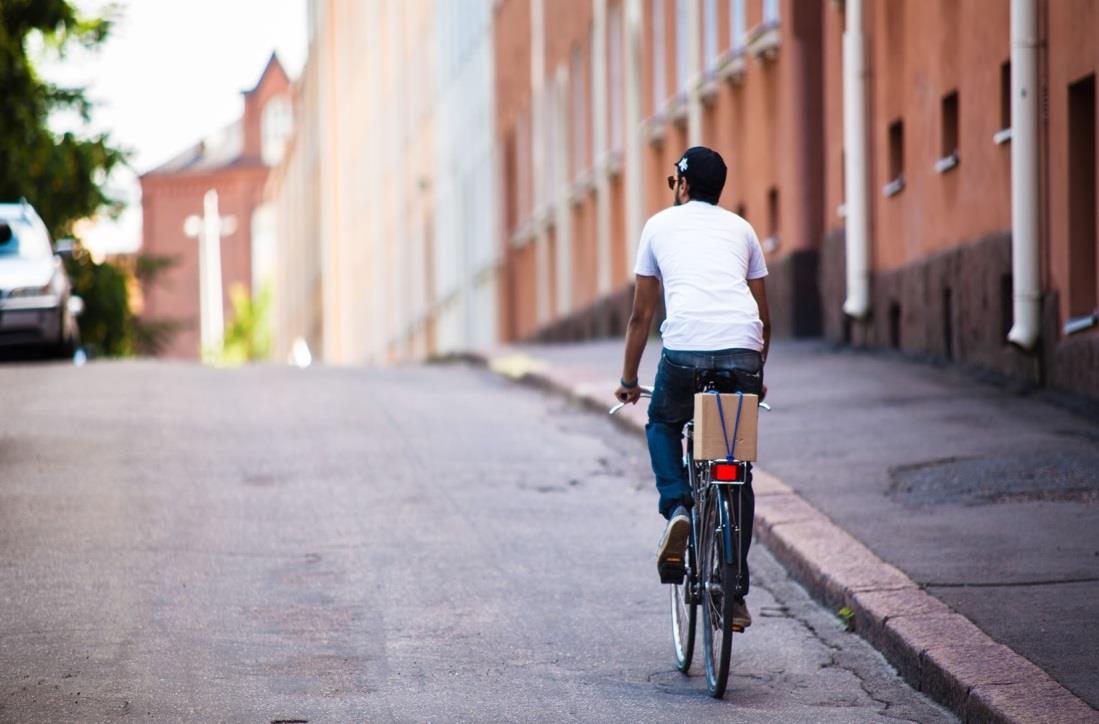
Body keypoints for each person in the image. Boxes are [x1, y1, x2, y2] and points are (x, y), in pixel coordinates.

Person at [614, 146, 770, 631]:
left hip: (684, 352)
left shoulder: (659, 226)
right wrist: (754, 376)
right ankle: (735, 590)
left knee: (662, 422)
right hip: (742, 352)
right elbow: (763, 317)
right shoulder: (742, 229)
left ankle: (678, 506)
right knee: (735, 468)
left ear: (682, 184)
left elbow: (642, 315)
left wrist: (628, 381)